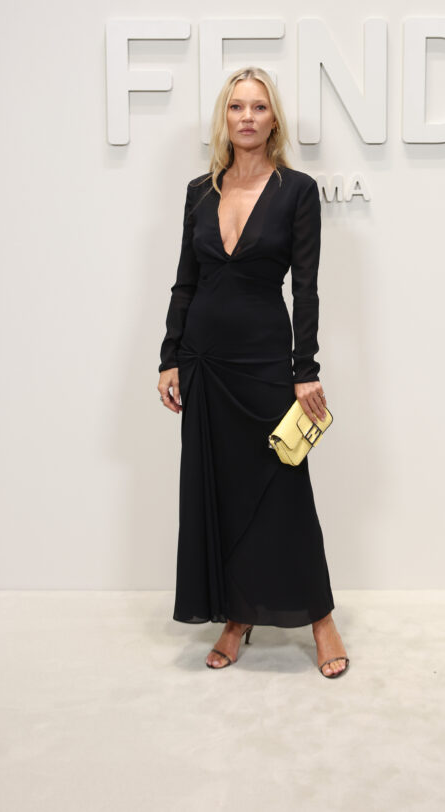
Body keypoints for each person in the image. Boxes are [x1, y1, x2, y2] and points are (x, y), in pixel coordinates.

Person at [156, 67, 349, 678]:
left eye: (258, 107)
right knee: (221, 492)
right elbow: (185, 282)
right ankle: (236, 618)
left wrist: (304, 369)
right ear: (225, 117)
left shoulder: (297, 190)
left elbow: (306, 289)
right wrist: (169, 355)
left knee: (285, 490)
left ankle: (321, 619)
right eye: (237, 106)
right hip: (204, 362)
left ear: (273, 120)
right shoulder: (199, 191)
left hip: (265, 362)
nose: (247, 116)